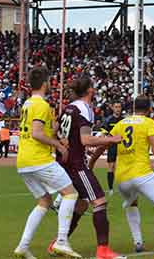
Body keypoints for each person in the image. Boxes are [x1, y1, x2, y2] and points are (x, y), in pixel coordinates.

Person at [47, 76, 125, 259]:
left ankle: (57, 243)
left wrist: (65, 145)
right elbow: (86, 140)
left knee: (81, 204)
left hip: (65, 162)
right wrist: (111, 139)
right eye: (93, 87)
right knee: (99, 201)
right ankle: (103, 250)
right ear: (90, 90)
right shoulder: (85, 109)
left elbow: (55, 131)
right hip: (76, 165)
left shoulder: (69, 107)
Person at [13, 67, 82, 259]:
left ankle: (23, 246)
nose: (52, 84)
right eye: (50, 81)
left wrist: (55, 135)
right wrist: (58, 146)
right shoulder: (41, 104)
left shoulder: (27, 103)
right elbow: (36, 133)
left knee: (44, 202)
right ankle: (61, 241)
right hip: (38, 158)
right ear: (45, 83)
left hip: (24, 160)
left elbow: (38, 130)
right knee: (70, 194)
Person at [107, 96, 154, 257]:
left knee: (132, 203)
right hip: (142, 174)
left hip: (121, 178)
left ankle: (138, 242)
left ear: (133, 108)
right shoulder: (149, 123)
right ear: (149, 109)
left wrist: (91, 162)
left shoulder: (121, 123)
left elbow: (106, 142)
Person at [103, 101, 123, 195]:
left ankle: (121, 188)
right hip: (112, 146)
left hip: (122, 147)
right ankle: (110, 189)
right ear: (113, 108)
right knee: (111, 167)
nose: (118, 109)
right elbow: (104, 132)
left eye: (119, 107)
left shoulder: (124, 120)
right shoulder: (108, 120)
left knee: (121, 168)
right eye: (116, 106)